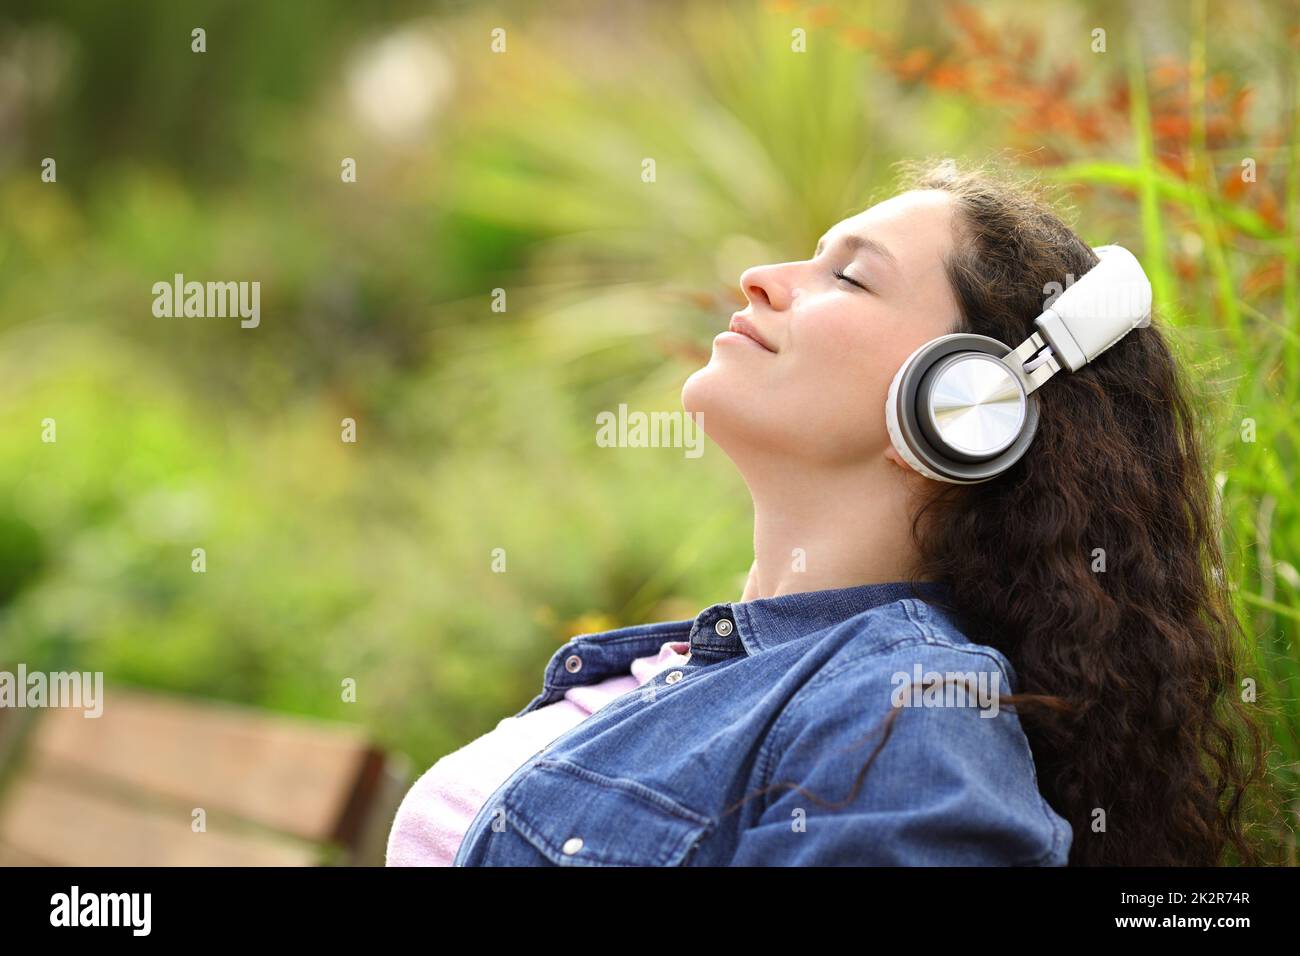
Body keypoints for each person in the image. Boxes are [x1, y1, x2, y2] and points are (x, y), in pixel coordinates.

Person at [386, 159, 1265, 866]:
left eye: (847, 275)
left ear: (967, 406)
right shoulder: (691, 665)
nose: (760, 278)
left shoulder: (904, 717)